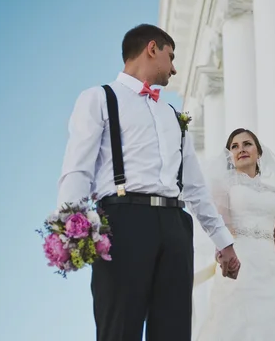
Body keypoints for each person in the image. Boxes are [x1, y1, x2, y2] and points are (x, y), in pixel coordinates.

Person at [56, 24, 240, 341]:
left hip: (175, 225)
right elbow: (78, 169)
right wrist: (69, 227)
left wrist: (223, 242)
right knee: (120, 330)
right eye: (171, 57)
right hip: (122, 222)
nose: (174, 67)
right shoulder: (99, 98)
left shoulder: (173, 116)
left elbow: (194, 186)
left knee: (175, 332)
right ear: (151, 49)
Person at [193, 128, 275, 340]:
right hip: (239, 267)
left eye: (247, 144)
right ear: (229, 155)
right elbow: (220, 231)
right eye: (234, 146)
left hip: (270, 274)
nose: (241, 149)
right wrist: (222, 257)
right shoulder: (224, 187)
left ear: (258, 153)